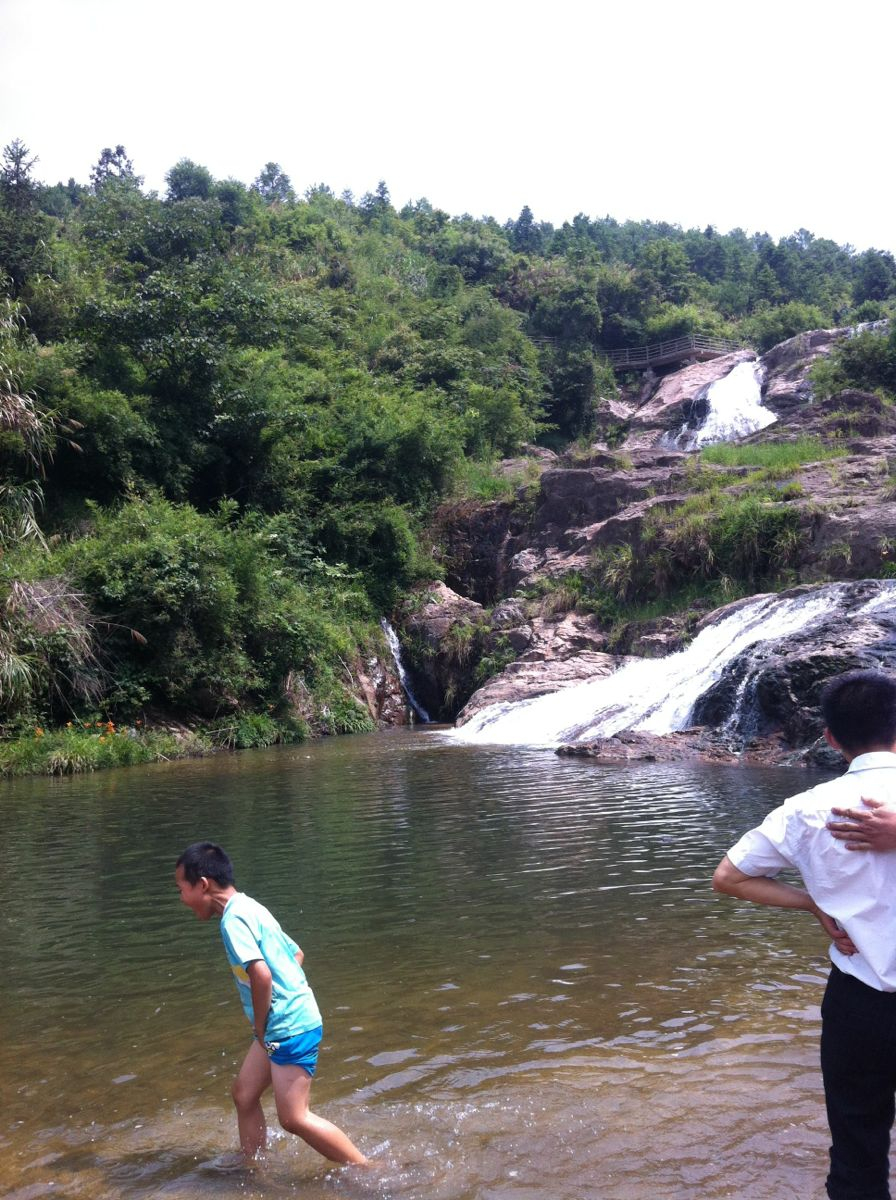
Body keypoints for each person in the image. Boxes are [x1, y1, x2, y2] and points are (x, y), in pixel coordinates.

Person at [713, 669, 896, 1200]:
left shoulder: (806, 809)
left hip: (859, 1001)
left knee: (857, 1151)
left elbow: (728, 878)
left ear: (831, 738)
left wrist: (814, 901)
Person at [174, 841, 368, 1166]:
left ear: (203, 884)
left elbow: (261, 976)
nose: (181, 898)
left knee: (294, 1118)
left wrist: (262, 1025)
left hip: (286, 1026)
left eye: (181, 889)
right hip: (283, 1021)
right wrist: (282, 1005)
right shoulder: (251, 907)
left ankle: (366, 1168)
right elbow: (295, 954)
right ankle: (253, 1166)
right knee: (244, 1095)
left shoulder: (232, 922)